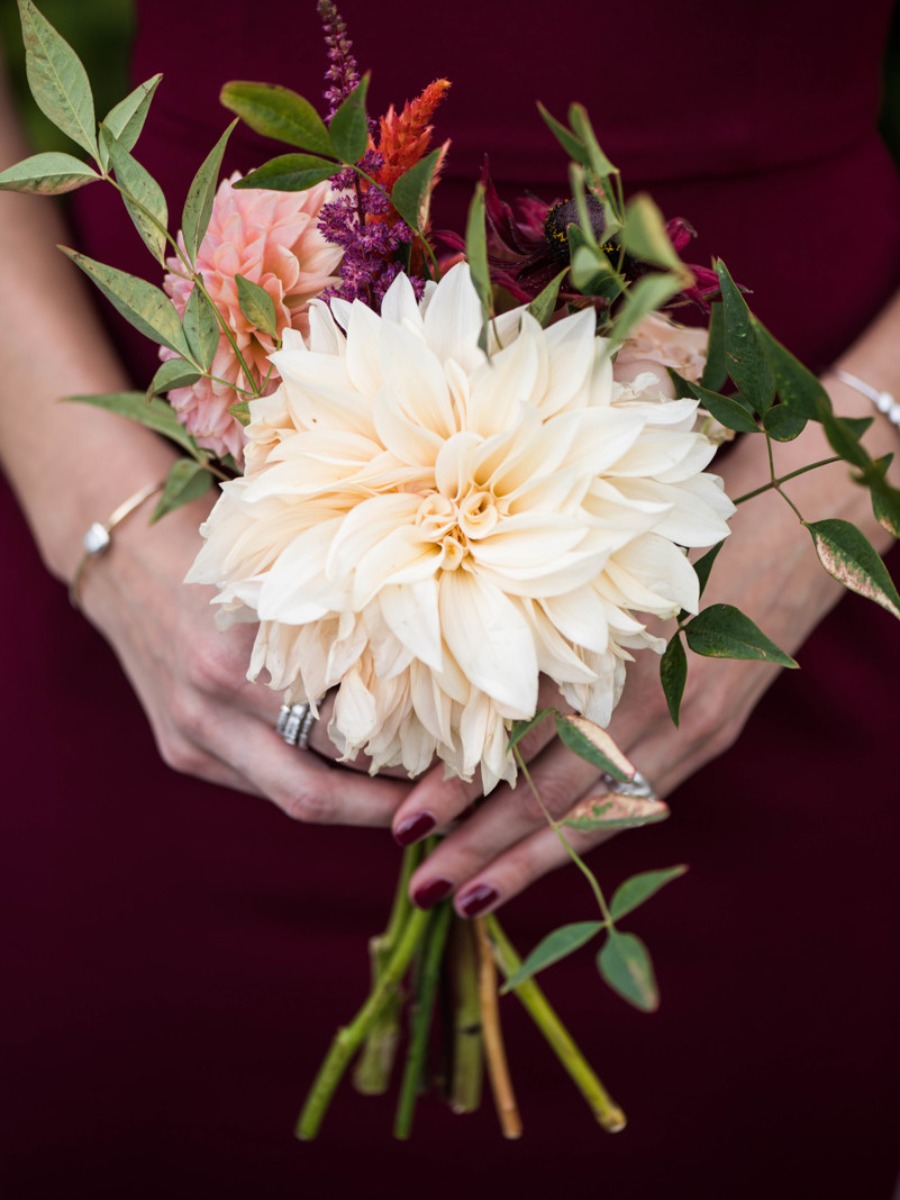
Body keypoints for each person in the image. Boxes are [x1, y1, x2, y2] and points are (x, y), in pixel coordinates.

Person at [1, 1, 898, 1195]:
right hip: (190, 542)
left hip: (769, 485)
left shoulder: (790, 551)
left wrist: (816, 517)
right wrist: (98, 526)